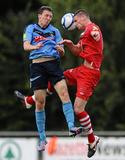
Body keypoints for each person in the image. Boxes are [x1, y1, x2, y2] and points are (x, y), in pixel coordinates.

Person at [15, 9, 103, 157]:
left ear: (81, 19)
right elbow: (77, 51)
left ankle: (92, 139)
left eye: (75, 22)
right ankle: (30, 100)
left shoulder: (91, 29)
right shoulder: (83, 35)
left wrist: (95, 35)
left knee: (78, 110)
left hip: (90, 74)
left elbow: (96, 33)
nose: (74, 25)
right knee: (59, 80)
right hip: (81, 70)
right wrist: (69, 44)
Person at [20, 6, 82, 152]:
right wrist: (35, 47)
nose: (48, 18)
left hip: (53, 65)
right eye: (46, 15)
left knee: (64, 94)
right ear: (39, 16)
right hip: (37, 66)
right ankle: (42, 139)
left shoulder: (55, 31)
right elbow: (25, 46)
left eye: (50, 16)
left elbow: (62, 52)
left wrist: (61, 51)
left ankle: (71, 127)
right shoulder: (30, 29)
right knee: (40, 102)